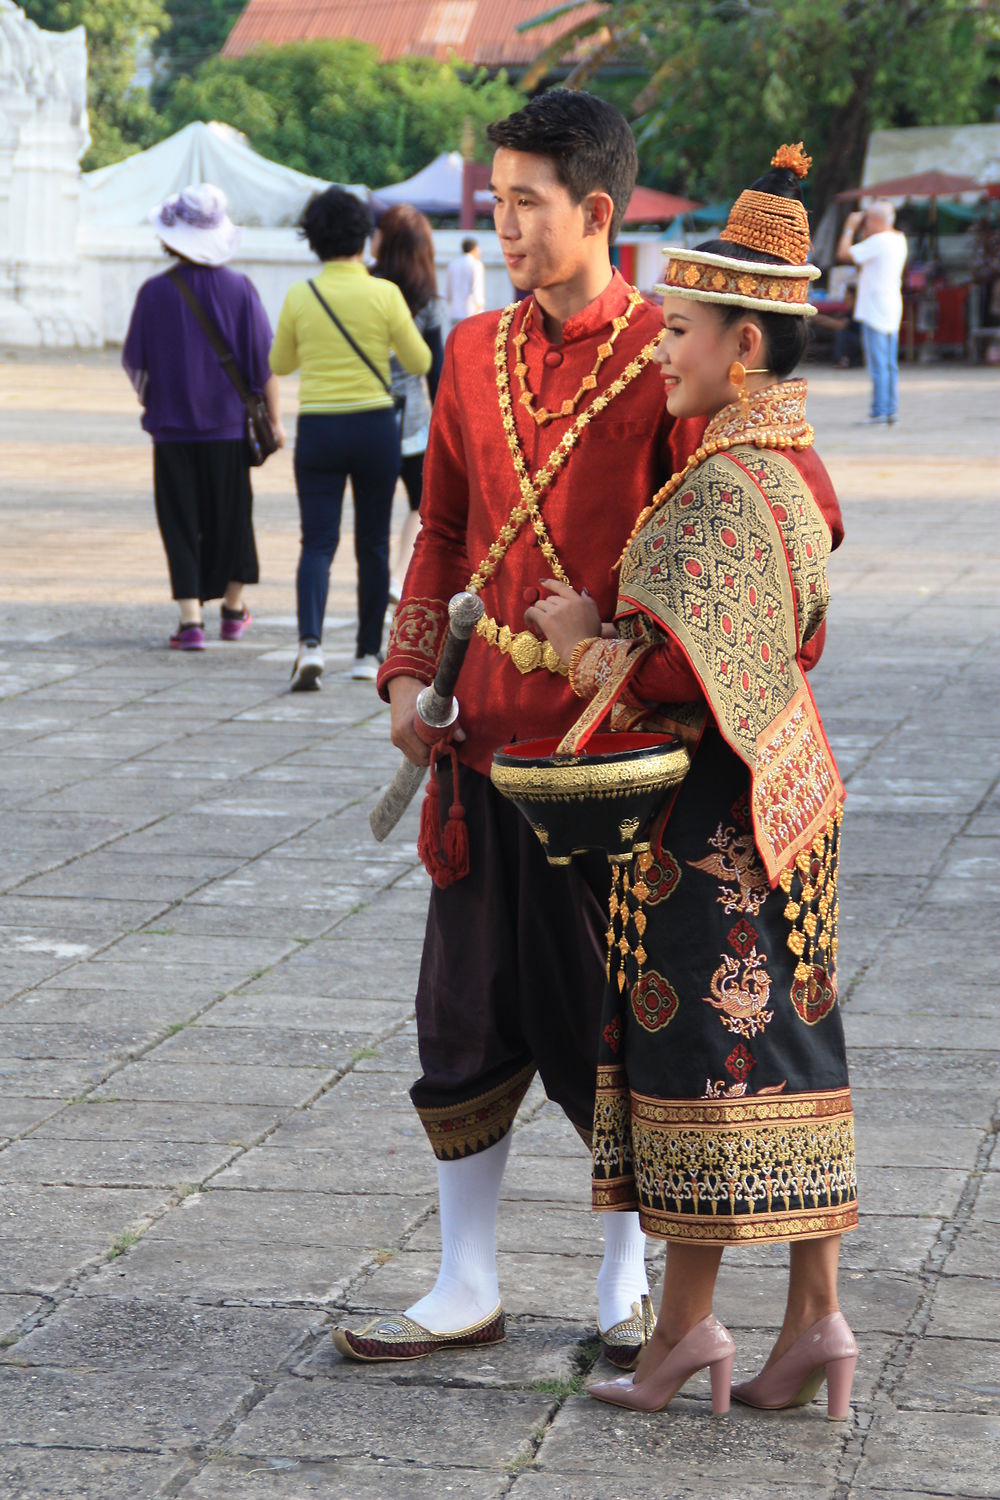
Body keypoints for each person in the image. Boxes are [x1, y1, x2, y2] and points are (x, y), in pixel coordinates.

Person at [331, 89, 704, 1368]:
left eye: (526, 202)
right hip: (484, 751)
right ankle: (463, 1278)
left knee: (618, 1023)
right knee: (463, 1013)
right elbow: (437, 534)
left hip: (619, 761)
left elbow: (717, 554)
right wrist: (405, 680)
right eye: (497, 199)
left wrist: (615, 626)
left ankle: (622, 1283)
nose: (504, 220)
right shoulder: (473, 349)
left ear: (596, 211)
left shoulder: (671, 355)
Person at [523, 143, 859, 1420]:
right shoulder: (788, 466)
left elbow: (675, 672)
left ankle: (694, 1334)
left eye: (678, 332)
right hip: (789, 797)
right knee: (786, 1044)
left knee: (706, 1057)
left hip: (717, 812)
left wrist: (574, 645)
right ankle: (805, 1323)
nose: (659, 352)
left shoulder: (730, 482)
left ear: (746, 352)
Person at [269, 188, 431, 689]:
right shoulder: (384, 294)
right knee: (373, 545)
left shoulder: (301, 294)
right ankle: (365, 653)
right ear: (364, 238)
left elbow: (280, 364)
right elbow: (421, 361)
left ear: (313, 240)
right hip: (373, 427)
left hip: (318, 427)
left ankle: (310, 644)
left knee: (316, 542)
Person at [122, 183, 283, 650]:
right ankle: (233, 611)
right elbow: (262, 365)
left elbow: (138, 365)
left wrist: (163, 400)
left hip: (171, 431)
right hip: (229, 429)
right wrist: (275, 421)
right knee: (232, 517)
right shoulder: (241, 289)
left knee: (179, 518)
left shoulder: (153, 293)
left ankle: (191, 621)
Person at [370, 204, 447, 598]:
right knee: (419, 504)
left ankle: (381, 576)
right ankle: (398, 576)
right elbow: (436, 372)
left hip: (365, 413)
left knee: (373, 509)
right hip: (413, 424)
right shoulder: (428, 299)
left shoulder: (366, 287)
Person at [836, 199, 907, 424]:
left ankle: (879, 411)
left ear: (875, 221)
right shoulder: (898, 239)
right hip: (891, 307)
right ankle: (889, 409)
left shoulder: (880, 241)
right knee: (889, 364)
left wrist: (850, 227)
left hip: (875, 310)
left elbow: (843, 254)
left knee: (878, 365)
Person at [445, 236, 485, 323]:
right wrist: (480, 308)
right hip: (471, 312)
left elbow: (448, 291)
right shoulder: (476, 264)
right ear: (474, 249)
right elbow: (477, 289)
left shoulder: (453, 264)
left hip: (454, 312)